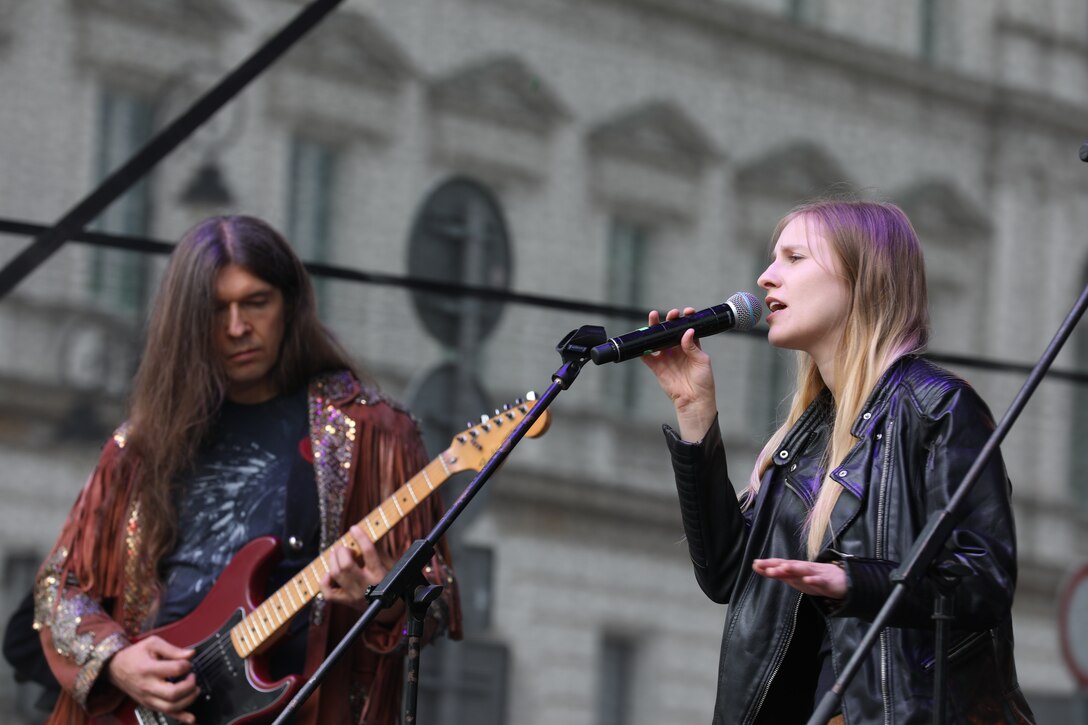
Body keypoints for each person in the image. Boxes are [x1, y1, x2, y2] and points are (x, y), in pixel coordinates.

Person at [33, 215, 461, 725]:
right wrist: (118, 660)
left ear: (290, 305)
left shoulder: (374, 433)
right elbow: (59, 587)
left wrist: (384, 597)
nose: (238, 328)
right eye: (217, 311)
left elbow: (435, 598)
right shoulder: (140, 445)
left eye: (256, 302)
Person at [642, 199, 1034, 724]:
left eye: (794, 258)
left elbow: (984, 580)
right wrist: (694, 412)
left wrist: (856, 582)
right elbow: (727, 576)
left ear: (861, 278)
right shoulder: (804, 438)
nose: (765, 277)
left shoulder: (936, 407)